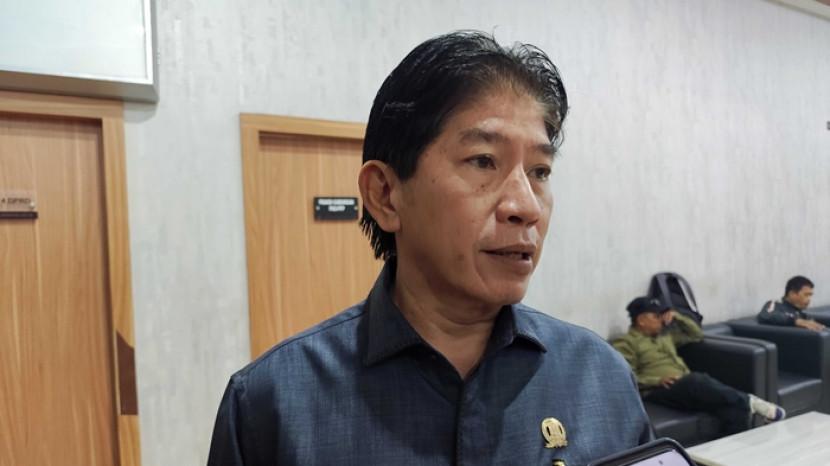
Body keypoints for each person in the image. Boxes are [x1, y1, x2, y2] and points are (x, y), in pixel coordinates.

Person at [207, 31, 651, 466]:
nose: (526, 207)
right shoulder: (271, 405)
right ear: (385, 195)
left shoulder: (601, 378)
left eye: (540, 171)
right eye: (483, 161)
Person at [612, 297, 785, 436]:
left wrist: (677, 316)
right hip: (658, 390)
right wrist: (657, 380)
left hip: (685, 387)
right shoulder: (626, 343)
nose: (661, 320)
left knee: (735, 411)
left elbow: (696, 334)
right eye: (656, 316)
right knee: (696, 380)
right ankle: (751, 401)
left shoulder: (665, 336)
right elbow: (625, 378)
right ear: (641, 320)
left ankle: (728, 457)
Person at [757, 276, 825, 331]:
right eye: (806, 295)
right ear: (792, 293)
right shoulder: (775, 304)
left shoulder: (799, 313)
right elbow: (767, 315)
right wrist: (796, 321)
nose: (809, 299)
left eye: (810, 295)